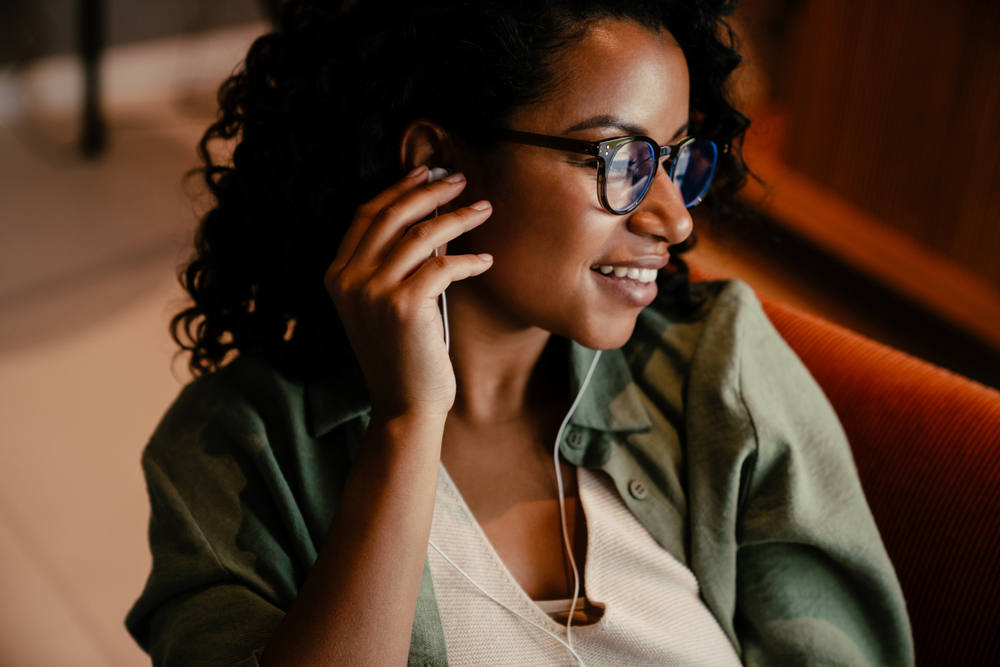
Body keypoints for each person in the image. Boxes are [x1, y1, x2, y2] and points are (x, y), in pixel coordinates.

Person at [125, 1, 914, 665]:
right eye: (618, 158)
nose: (673, 218)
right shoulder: (233, 450)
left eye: (674, 160)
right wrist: (406, 425)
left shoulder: (719, 370)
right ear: (435, 163)